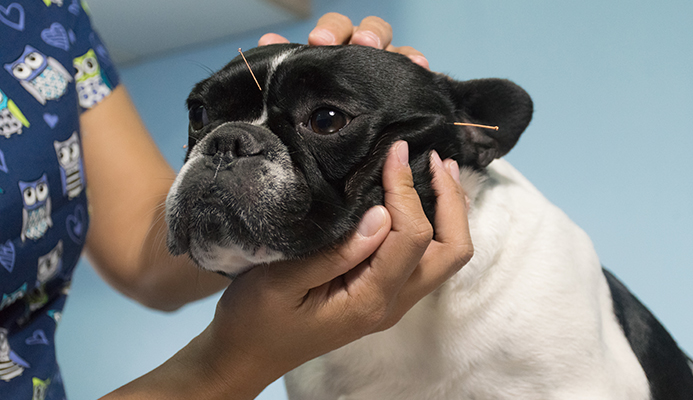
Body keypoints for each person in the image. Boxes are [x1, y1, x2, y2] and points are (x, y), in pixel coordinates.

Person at [0, 4, 471, 399]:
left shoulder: (51, 15)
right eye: (205, 117)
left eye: (326, 119)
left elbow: (142, 258)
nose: (225, 148)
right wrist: (226, 365)